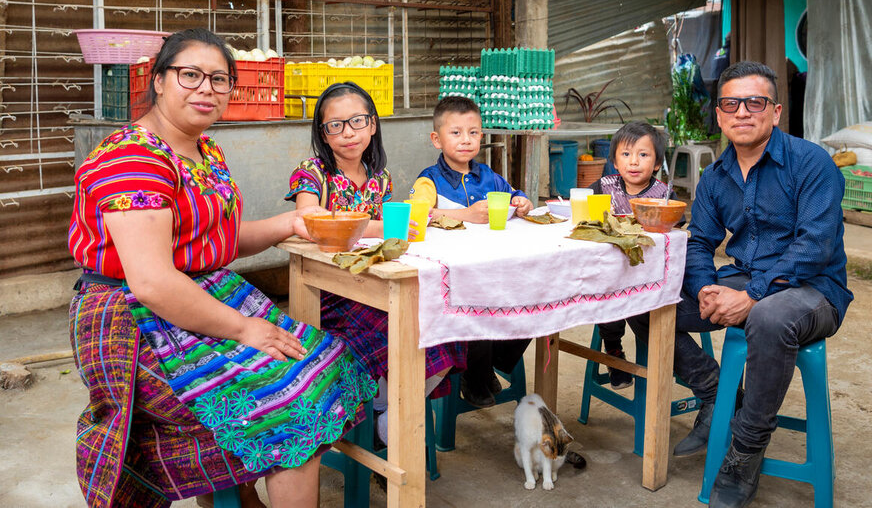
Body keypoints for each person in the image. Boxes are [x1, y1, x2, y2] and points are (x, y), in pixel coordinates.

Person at [68, 28, 377, 508]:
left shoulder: (206, 153)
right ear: (159, 81)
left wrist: (293, 222)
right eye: (190, 75)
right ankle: (247, 487)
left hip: (201, 292)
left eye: (219, 79)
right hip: (136, 315)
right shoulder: (132, 155)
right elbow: (151, 280)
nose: (206, 89)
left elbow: (217, 245)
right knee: (289, 401)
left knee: (326, 359)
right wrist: (242, 328)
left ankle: (242, 496)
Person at [627, 61, 852, 508]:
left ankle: (745, 450)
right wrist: (707, 287)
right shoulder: (715, 177)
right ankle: (716, 396)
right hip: (743, 278)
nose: (743, 112)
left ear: (776, 111)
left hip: (814, 288)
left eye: (755, 102)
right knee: (643, 300)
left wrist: (752, 294)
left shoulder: (811, 164)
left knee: (768, 316)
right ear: (720, 114)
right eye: (732, 103)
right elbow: (699, 242)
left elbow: (815, 246)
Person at [285, 82, 467, 444]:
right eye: (335, 125)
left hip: (374, 282)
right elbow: (310, 220)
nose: (348, 133)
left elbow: (388, 237)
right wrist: (386, 226)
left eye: (357, 121)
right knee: (399, 330)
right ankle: (388, 415)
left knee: (448, 321)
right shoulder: (313, 172)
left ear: (373, 125)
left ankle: (391, 410)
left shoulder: (378, 177)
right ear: (322, 132)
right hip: (330, 292)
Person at [408, 95, 534, 408]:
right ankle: (475, 374)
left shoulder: (488, 177)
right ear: (437, 139)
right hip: (454, 276)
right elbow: (415, 217)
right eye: (456, 133)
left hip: (493, 266)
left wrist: (522, 202)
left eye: (474, 132)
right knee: (479, 307)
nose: (466, 140)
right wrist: (466, 214)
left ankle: (489, 365)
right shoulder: (429, 181)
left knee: (534, 297)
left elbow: (513, 193)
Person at [588, 121, 680, 390]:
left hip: (650, 272)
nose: (634, 162)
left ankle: (667, 360)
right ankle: (614, 351)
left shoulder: (663, 195)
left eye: (643, 154)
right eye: (626, 154)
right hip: (611, 272)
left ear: (656, 164)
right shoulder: (603, 187)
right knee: (607, 298)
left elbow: (677, 228)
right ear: (615, 162)